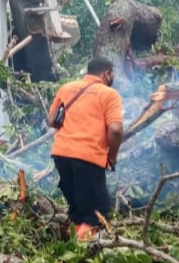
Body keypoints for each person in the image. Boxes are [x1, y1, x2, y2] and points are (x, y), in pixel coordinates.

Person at [46, 56, 123, 242]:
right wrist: (111, 156)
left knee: (78, 208)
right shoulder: (109, 94)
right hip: (89, 159)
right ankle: (79, 252)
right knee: (97, 212)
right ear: (107, 73)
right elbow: (115, 129)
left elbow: (51, 121)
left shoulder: (66, 88)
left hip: (61, 156)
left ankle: (65, 245)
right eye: (112, 74)